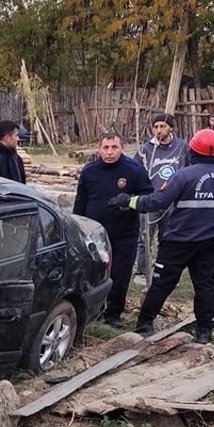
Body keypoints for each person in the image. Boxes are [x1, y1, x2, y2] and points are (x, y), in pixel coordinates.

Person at [110, 128, 214, 345]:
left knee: (162, 283)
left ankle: (144, 323)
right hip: (210, 241)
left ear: (193, 151)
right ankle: (204, 331)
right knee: (205, 286)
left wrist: (128, 201)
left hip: (178, 241)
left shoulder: (183, 175)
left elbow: (156, 202)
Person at [72, 132, 154, 328]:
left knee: (120, 274)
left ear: (122, 148)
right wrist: (76, 226)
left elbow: (149, 197)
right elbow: (80, 200)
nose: (109, 152)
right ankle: (93, 310)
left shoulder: (134, 170)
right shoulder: (89, 171)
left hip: (124, 233)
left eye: (114, 147)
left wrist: (129, 202)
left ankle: (113, 313)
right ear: (99, 149)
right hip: (94, 233)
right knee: (92, 272)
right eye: (105, 148)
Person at [134, 112, 187, 275]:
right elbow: (136, 170)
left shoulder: (182, 147)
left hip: (173, 200)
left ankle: (163, 269)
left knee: (168, 238)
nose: (159, 130)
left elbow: (189, 169)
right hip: (152, 200)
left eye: (163, 126)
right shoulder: (145, 149)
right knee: (144, 237)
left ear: (170, 128)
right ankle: (142, 272)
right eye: (156, 127)